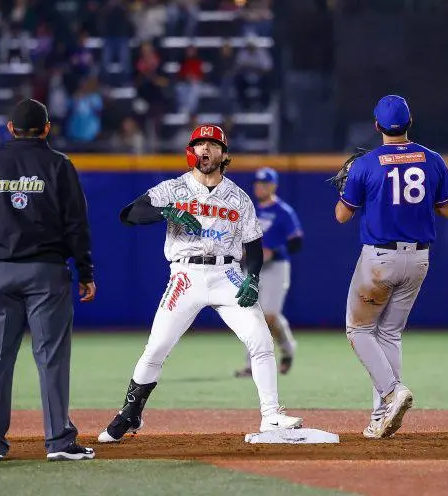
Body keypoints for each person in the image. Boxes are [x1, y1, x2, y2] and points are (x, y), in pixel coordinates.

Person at [97, 124, 303, 443]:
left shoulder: (238, 197)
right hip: (186, 275)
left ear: (223, 153)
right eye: (199, 144)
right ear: (191, 151)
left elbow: (252, 245)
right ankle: (129, 413)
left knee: (260, 339)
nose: (205, 149)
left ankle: (272, 415)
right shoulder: (175, 188)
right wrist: (170, 212)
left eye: (211, 144)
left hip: (227, 274)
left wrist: (252, 277)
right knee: (157, 347)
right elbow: (130, 214)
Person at [0, 98, 97, 461]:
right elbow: (76, 225)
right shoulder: (59, 165)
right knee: (50, 358)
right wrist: (85, 271)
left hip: (1, 273)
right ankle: (58, 442)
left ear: (9, 129)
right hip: (46, 273)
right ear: (47, 128)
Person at [331, 95, 448, 439]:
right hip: (418, 259)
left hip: (380, 260)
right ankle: (381, 417)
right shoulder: (432, 160)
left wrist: (348, 185)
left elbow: (342, 216)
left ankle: (391, 393)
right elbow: (447, 210)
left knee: (358, 330)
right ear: (410, 122)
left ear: (377, 126)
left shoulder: (368, 164)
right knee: (389, 333)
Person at [235, 167, 303, 378]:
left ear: (274, 186)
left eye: (265, 184)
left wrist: (274, 250)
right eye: (257, 184)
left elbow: (297, 243)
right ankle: (251, 364)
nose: (260, 187)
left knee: (270, 316)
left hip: (276, 267)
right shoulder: (249, 209)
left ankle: (288, 349)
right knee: (252, 316)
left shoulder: (284, 212)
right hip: (252, 267)